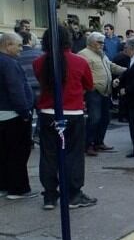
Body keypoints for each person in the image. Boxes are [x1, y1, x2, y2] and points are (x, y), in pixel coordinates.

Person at [33, 26, 96, 210]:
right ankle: (73, 194)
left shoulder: (39, 62)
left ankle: (50, 196)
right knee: (73, 155)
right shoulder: (79, 61)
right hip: (73, 113)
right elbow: (89, 85)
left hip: (47, 113)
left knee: (48, 155)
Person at [0, 32, 37, 200]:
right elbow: (16, 90)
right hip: (13, 114)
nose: (21, 49)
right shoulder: (9, 64)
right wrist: (25, 112)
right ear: (8, 45)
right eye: (18, 45)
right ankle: (18, 189)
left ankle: (4, 186)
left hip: (3, 113)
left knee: (4, 152)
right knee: (18, 152)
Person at [78, 32, 126, 156]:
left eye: (103, 42)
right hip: (94, 91)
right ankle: (87, 145)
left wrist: (128, 70)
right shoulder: (83, 55)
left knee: (105, 118)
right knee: (94, 118)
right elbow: (81, 74)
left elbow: (111, 66)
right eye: (100, 42)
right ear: (92, 42)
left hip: (105, 91)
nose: (102, 44)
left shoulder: (102, 54)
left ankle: (98, 142)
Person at [18, 31, 43, 141]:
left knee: (26, 115)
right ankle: (38, 134)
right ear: (29, 40)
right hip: (39, 87)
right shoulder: (39, 53)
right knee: (41, 112)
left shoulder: (16, 55)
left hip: (22, 88)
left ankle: (27, 138)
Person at [112, 47, 131, 122]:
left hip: (118, 79)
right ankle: (123, 116)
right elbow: (125, 70)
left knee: (122, 99)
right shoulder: (124, 58)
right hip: (122, 80)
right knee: (123, 100)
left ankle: (122, 116)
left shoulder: (118, 56)